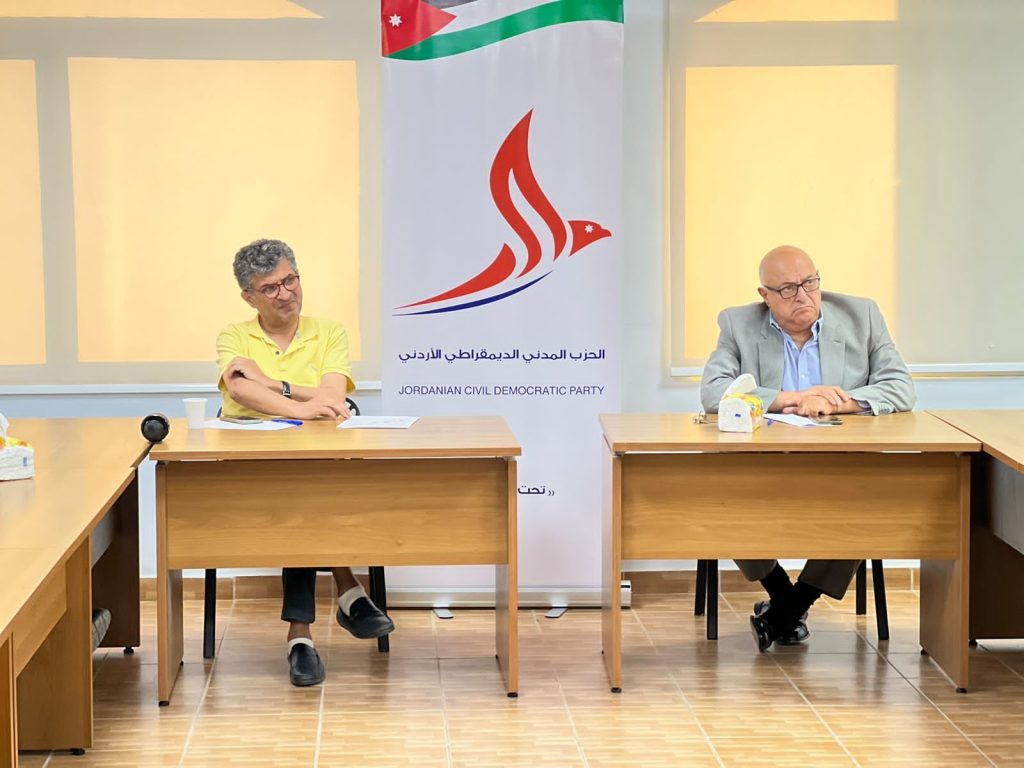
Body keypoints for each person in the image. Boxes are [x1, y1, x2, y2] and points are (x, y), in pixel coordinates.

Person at [700, 245, 915, 652]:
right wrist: (791, 398)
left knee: (868, 499)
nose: (803, 296)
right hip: (763, 462)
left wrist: (837, 402)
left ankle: (789, 607)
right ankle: (783, 594)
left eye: (810, 283)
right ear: (765, 295)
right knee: (723, 491)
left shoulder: (862, 316)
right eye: (787, 289)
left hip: (841, 463)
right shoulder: (738, 323)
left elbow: (901, 388)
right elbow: (714, 393)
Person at [217, 238, 394, 686]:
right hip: (254, 463)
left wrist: (273, 384)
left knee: (305, 497)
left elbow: (334, 397)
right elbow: (239, 390)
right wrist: (302, 406)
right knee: (304, 496)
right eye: (270, 287)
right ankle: (349, 591)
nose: (286, 293)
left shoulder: (328, 331)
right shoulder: (234, 336)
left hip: (317, 463)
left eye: (290, 280)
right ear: (249, 297)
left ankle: (301, 635)